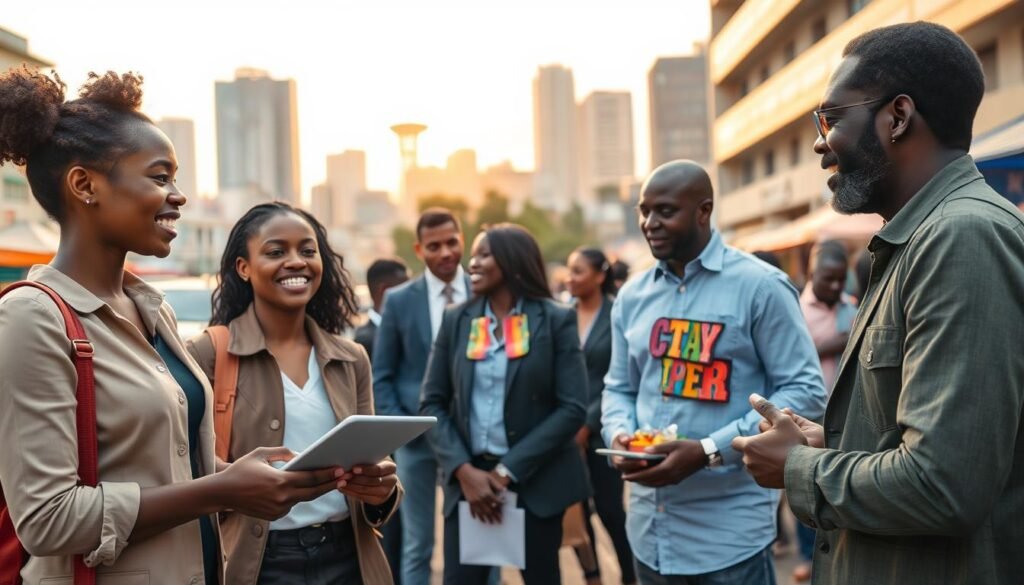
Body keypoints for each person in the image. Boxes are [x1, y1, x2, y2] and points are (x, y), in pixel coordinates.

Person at [0, 68, 338, 584]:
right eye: (160, 178)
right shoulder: (31, 317)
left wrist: (246, 475)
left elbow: (161, 472)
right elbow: (48, 519)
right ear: (84, 185)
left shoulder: (152, 307)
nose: (177, 196)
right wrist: (223, 491)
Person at [732, 22, 1024, 585]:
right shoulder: (914, 240)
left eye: (831, 119)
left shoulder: (961, 237)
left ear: (897, 117)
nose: (821, 142)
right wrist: (834, 441)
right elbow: (920, 440)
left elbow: (945, 485)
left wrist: (799, 468)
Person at [601, 160, 826, 584]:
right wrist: (618, 435)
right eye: (643, 211)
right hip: (649, 538)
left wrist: (708, 449)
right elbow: (618, 387)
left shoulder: (761, 287)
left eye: (665, 211)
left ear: (704, 211)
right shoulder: (631, 296)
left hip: (729, 541)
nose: (650, 223)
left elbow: (805, 390)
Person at [187, 202, 401, 585]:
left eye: (307, 250)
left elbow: (374, 459)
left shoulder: (351, 358)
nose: (296, 261)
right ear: (244, 267)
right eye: (275, 252)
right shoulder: (208, 353)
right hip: (258, 563)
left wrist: (382, 489)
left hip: (348, 557)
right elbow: (187, 469)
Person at [420, 223, 589, 585]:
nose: (472, 263)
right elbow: (431, 403)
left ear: (513, 262)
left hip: (535, 481)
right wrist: (465, 472)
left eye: (484, 254)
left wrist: (505, 471)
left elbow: (573, 408)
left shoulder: (555, 319)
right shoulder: (457, 320)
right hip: (469, 486)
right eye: (474, 254)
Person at [372, 208, 469, 585]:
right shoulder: (399, 300)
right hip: (416, 443)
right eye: (434, 246)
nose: (445, 252)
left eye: (451, 242)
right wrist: (403, 428)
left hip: (470, 439)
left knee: (481, 540)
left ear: (462, 238)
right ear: (418, 249)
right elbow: (383, 376)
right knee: (417, 544)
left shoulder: (483, 291)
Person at [565, 247, 635, 585]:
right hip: (566, 432)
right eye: (569, 271)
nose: (571, 278)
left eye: (578, 271)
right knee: (577, 511)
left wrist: (588, 423)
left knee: (610, 511)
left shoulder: (615, 313)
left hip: (602, 429)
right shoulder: (563, 314)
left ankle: (629, 575)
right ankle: (591, 576)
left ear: (599, 275)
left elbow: (616, 377)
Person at [791, 240, 857, 582]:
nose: (834, 286)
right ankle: (806, 554)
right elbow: (795, 355)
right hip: (810, 413)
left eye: (839, 280)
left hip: (847, 412)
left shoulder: (852, 307)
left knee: (837, 484)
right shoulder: (796, 311)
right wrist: (836, 342)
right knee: (804, 484)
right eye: (827, 279)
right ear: (811, 274)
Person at [354, 258, 409, 361]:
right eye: (405, 290)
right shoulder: (364, 341)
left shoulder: (408, 330)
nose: (411, 296)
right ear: (385, 291)